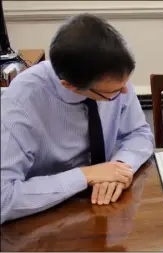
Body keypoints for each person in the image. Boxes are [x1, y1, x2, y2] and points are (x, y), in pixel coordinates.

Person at [1, 13, 154, 224]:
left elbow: (139, 133)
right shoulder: (21, 102)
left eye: (126, 83)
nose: (125, 93)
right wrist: (86, 176)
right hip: (47, 218)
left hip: (107, 207)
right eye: (113, 92)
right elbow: (4, 199)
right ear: (69, 86)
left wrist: (119, 167)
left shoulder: (112, 79)